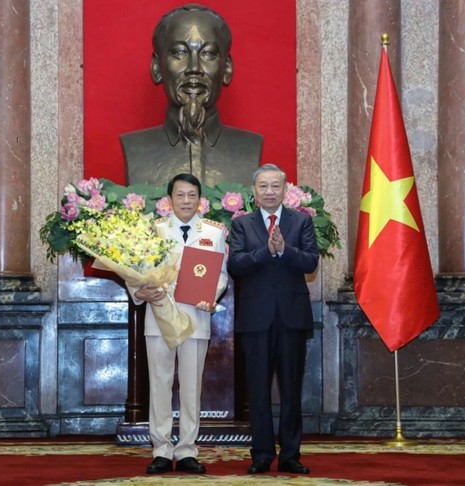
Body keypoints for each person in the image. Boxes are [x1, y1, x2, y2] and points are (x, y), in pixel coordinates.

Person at [129, 173, 228, 475]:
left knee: (191, 387)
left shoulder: (215, 231)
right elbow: (135, 272)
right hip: (159, 316)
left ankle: (186, 449)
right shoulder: (152, 230)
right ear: (169, 199)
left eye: (192, 195)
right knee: (159, 384)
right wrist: (139, 291)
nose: (186, 201)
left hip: (195, 317)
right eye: (180, 195)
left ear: (200, 200)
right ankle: (161, 449)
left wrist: (212, 294)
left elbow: (221, 273)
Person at [227, 163, 319, 475]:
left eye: (275, 186)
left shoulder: (300, 222)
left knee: (292, 389)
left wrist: (285, 250)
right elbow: (235, 265)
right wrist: (266, 253)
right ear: (254, 191)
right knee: (258, 389)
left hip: (292, 317)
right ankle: (262, 454)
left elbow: (310, 262)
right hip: (256, 319)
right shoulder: (242, 225)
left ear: (285, 190)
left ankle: (291, 455)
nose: (269, 192)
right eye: (263, 186)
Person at [121, 4, 262, 187]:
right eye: (180, 52)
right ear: (157, 67)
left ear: (226, 68)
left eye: (208, 53)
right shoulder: (135, 148)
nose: (194, 68)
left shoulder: (249, 147)